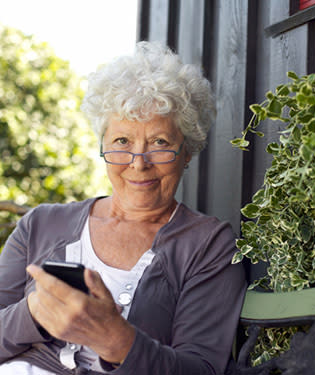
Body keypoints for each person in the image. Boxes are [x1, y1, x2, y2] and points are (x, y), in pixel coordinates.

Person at [0, 41, 247, 375]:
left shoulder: (208, 245)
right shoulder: (40, 224)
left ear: (187, 151)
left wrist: (117, 341)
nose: (138, 163)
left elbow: (201, 368)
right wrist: (33, 314)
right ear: (103, 145)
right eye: (122, 142)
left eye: (160, 143)